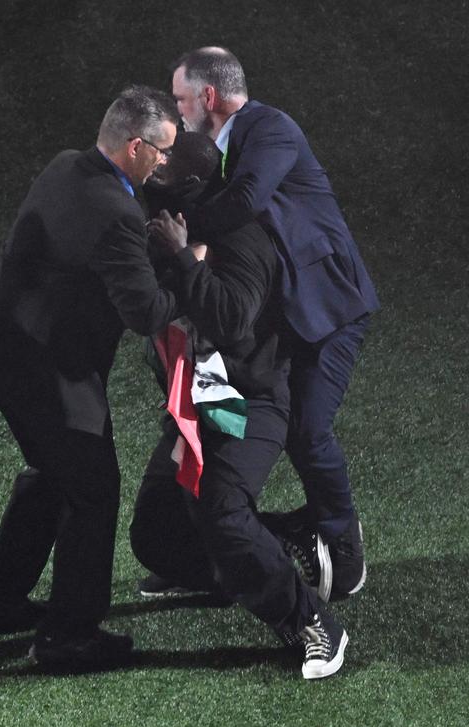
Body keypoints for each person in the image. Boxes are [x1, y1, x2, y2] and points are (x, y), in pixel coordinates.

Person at [0, 86, 183, 671]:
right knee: (92, 486)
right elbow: (144, 313)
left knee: (54, 468)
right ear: (135, 148)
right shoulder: (118, 213)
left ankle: (0, 597)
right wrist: (187, 264)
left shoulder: (65, 166)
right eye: (161, 153)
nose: (165, 164)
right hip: (44, 366)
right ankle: (67, 637)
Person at [130, 132, 348, 679]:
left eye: (160, 175)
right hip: (196, 402)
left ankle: (311, 622)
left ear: (191, 189)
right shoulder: (166, 229)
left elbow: (229, 320)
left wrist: (183, 256)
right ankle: (266, 547)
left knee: (223, 513)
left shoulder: (244, 238)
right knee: (154, 534)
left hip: (250, 404)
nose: (148, 183)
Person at [171, 47, 379, 601]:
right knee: (271, 423)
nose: (178, 110)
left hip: (330, 311)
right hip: (285, 317)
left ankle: (343, 545)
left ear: (208, 97)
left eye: (181, 99)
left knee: (308, 430)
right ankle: (273, 534)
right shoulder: (222, 146)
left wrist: (177, 230)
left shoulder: (270, 128)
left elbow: (245, 199)